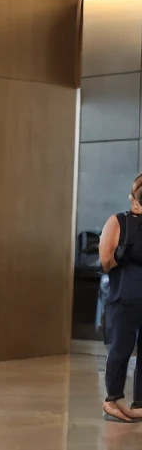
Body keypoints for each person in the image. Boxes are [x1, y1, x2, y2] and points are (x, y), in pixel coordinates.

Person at [98, 173, 142, 422]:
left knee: (123, 348)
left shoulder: (121, 221)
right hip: (124, 296)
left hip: (128, 294)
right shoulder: (119, 221)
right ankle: (113, 400)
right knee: (120, 348)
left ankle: (139, 402)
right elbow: (105, 261)